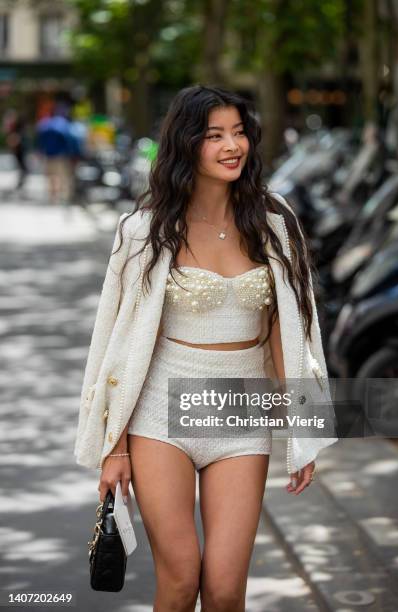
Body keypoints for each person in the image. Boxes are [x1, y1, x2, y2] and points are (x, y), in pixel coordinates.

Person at [74, 85, 337, 610]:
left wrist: (303, 429)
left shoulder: (275, 220)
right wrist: (115, 446)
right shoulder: (144, 230)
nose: (231, 145)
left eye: (238, 132)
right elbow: (118, 344)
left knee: (222, 589)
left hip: (242, 411)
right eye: (215, 135)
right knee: (179, 581)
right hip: (158, 412)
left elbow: (288, 329)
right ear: (187, 143)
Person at [35, 104, 74, 205]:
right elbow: (68, 140)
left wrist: (40, 151)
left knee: (51, 176)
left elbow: (40, 140)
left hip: (49, 154)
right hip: (61, 155)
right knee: (62, 176)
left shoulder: (46, 124)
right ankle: (62, 196)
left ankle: (53, 196)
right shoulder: (63, 124)